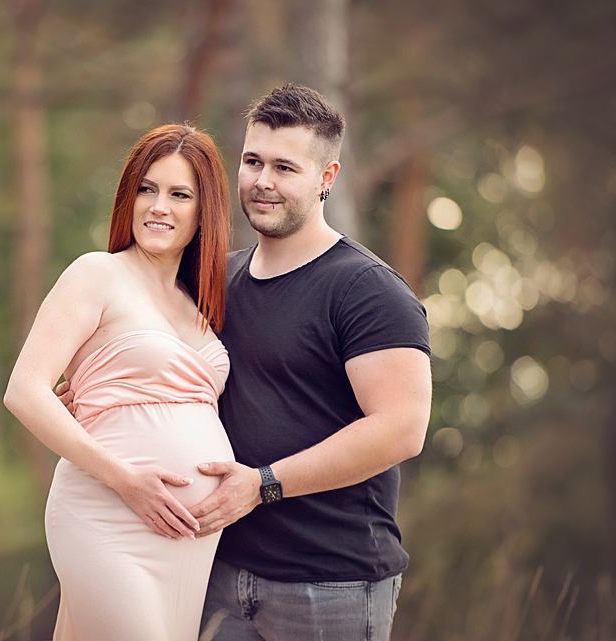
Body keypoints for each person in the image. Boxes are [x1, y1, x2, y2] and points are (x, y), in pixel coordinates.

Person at [187, 84, 433, 640]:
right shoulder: (216, 279)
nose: (262, 181)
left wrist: (263, 484)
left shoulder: (367, 292)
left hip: (332, 584)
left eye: (284, 167)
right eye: (252, 161)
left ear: (326, 178)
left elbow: (401, 430)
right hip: (220, 570)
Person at [4, 123, 234, 641]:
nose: (159, 206)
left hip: (186, 538)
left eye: (179, 194)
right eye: (147, 189)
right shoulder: (97, 274)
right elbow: (24, 390)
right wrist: (127, 480)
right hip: (108, 514)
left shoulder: (202, 305)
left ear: (205, 211)